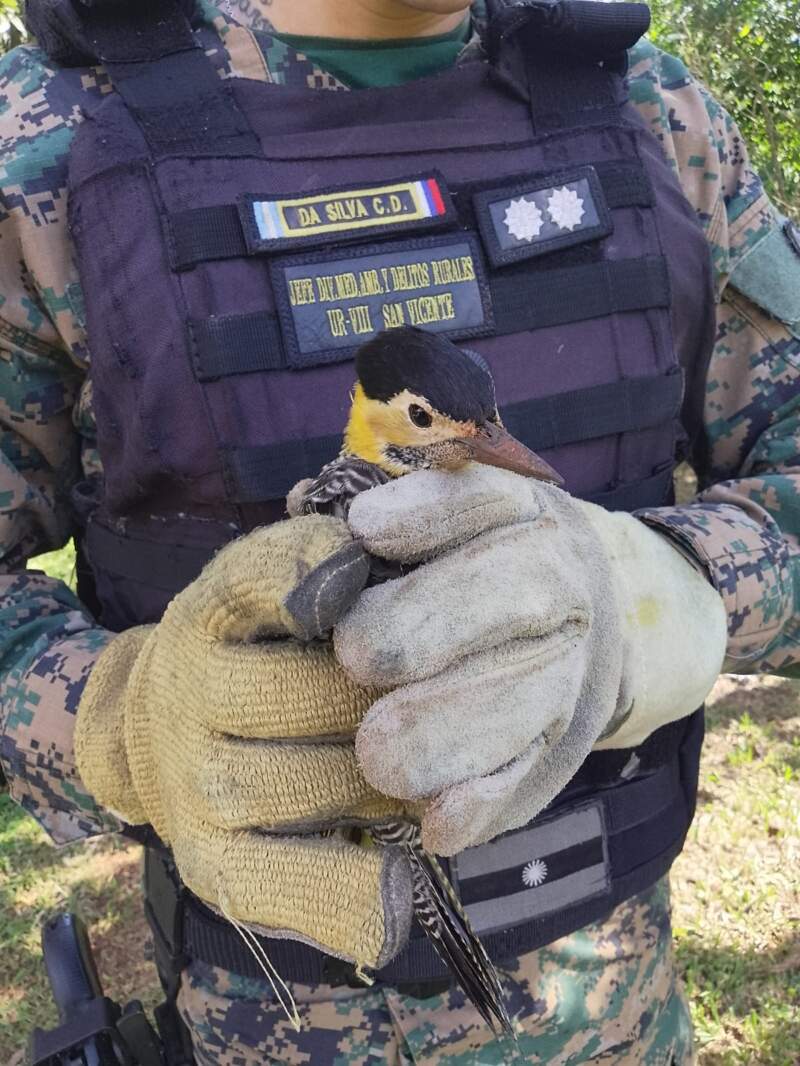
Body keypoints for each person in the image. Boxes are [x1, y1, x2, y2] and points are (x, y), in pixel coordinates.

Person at [1, 0, 798, 1062]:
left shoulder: (652, 111)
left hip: (613, 1011)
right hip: (264, 1017)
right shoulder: (49, 139)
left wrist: (664, 595)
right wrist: (110, 718)